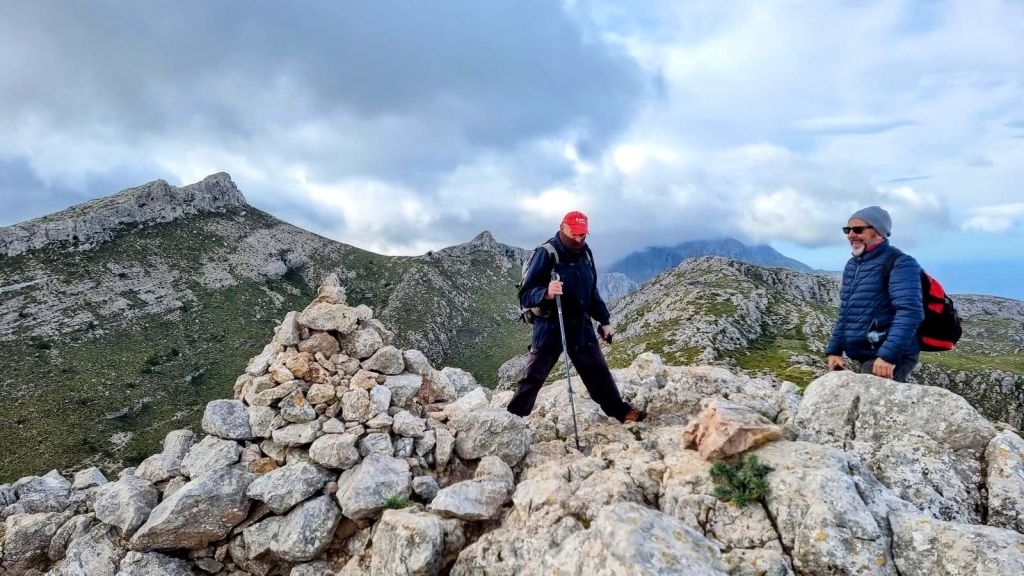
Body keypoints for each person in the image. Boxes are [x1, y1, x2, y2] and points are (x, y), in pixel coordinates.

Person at [507, 211, 646, 422]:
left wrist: (604, 320)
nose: (579, 238)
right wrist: (546, 292)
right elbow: (526, 294)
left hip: (580, 325)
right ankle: (512, 418)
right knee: (534, 376)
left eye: (583, 234)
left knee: (598, 372)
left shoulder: (586, 253)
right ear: (563, 227)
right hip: (551, 325)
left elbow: (591, 292)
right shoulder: (547, 253)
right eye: (575, 233)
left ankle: (620, 412)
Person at [826, 206, 924, 382]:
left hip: (888, 356)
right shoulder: (853, 265)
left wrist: (888, 356)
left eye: (858, 229)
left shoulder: (900, 263)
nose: (850, 235)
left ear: (879, 232)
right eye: (847, 230)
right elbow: (846, 311)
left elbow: (910, 312)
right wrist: (834, 350)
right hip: (868, 354)